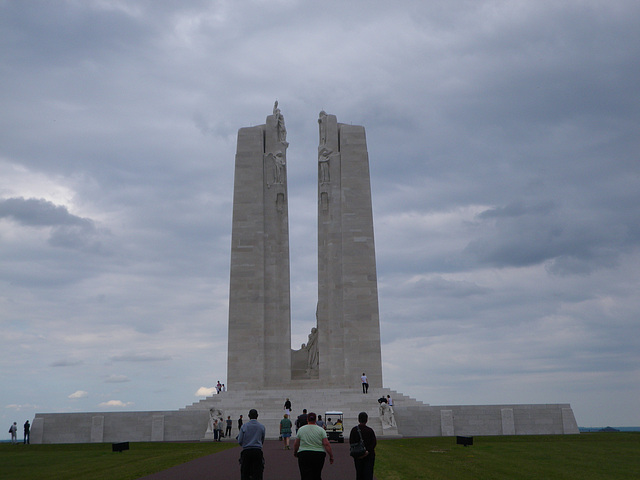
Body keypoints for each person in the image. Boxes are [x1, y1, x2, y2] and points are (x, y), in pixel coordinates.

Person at [293, 412, 334, 480]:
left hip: (304, 454)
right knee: (316, 475)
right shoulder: (321, 430)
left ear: (307, 420)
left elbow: (296, 443)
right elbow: (326, 444)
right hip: (318, 454)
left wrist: (295, 452)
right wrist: (331, 456)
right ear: (315, 420)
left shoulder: (301, 429)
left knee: (305, 475)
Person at [238, 408, 266, 480]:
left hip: (246, 451)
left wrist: (245, 445)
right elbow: (262, 439)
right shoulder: (261, 427)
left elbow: (240, 440)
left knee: (245, 473)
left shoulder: (244, 426)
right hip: (257, 451)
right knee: (258, 473)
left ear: (248, 416)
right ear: (257, 416)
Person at [349, 412, 377, 480]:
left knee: (359, 474)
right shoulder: (370, 430)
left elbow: (351, 442)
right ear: (366, 420)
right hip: (369, 455)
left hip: (358, 455)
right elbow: (374, 443)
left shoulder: (354, 430)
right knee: (368, 474)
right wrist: (367, 451)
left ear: (358, 419)